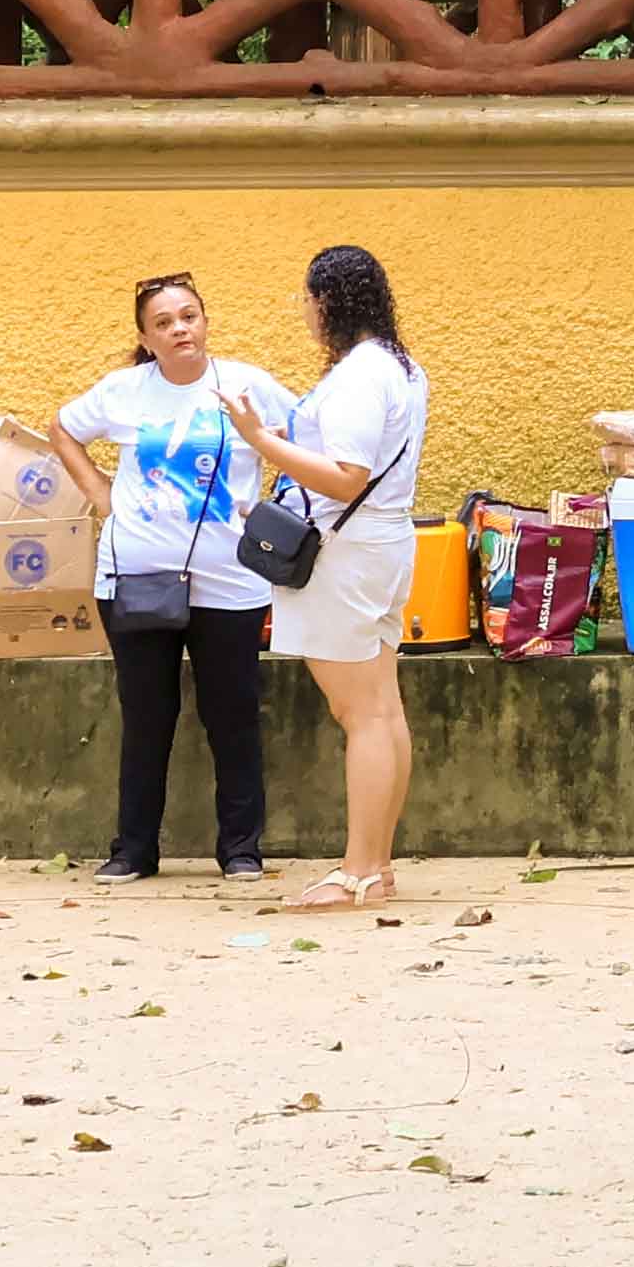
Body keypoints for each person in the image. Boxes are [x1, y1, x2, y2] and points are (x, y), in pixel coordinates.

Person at [24, 274, 296, 888]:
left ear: (205, 322)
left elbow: (309, 437)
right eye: (166, 322)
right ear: (146, 338)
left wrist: (278, 501)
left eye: (190, 316)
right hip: (136, 576)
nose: (181, 329)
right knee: (147, 715)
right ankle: (134, 850)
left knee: (234, 716)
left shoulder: (247, 385)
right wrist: (97, 491)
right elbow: (61, 427)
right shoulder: (124, 391)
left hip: (231, 582)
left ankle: (242, 848)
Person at [228, 245, 427, 912]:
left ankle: (357, 873)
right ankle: (377, 866)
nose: (305, 313)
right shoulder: (397, 366)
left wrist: (261, 439)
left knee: (361, 713)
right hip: (378, 547)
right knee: (382, 708)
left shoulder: (360, 376)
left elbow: (347, 475)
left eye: (307, 299)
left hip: (346, 554)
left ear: (329, 300)